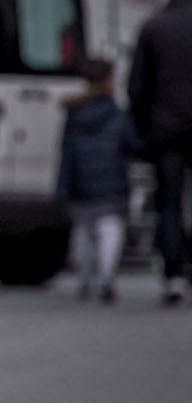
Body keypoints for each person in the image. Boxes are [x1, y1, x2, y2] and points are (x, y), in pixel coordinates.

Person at [129, 0, 192, 306]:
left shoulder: (154, 27)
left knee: (168, 203)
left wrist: (143, 130)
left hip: (166, 128)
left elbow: (137, 87)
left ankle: (174, 275)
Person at [57, 57, 140, 303]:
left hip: (80, 183)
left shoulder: (74, 113)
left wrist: (62, 187)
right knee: (109, 230)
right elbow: (133, 144)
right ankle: (106, 276)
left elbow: (66, 153)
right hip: (112, 181)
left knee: (83, 231)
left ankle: (84, 278)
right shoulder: (116, 113)